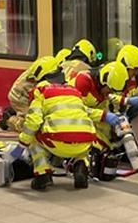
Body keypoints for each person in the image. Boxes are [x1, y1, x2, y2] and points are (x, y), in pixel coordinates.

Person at [16, 57, 104, 191]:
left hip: (57, 141)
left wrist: (23, 142)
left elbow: (34, 120)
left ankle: (43, 174)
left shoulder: (40, 90)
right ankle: (81, 166)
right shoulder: (73, 91)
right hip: (85, 142)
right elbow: (85, 111)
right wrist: (105, 116)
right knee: (80, 133)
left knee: (33, 136)